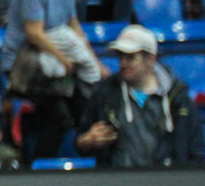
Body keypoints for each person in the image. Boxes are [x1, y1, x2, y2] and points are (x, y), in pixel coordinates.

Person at [1, 0, 105, 160]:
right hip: (24, 67)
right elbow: (34, 34)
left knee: (86, 104)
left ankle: (87, 159)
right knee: (61, 118)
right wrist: (64, 59)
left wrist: (96, 62)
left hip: (55, 63)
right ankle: (36, 167)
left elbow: (74, 26)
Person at [74, 25, 204, 168]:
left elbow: (196, 150)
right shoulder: (104, 93)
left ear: (150, 59)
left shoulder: (179, 98)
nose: (123, 63)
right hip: (117, 184)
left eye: (130, 57)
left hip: (169, 184)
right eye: (121, 56)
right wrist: (88, 140)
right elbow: (81, 143)